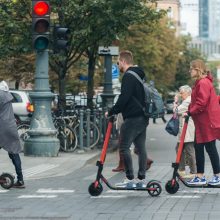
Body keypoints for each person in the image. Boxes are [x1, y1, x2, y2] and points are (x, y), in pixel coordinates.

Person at [105, 50, 149, 189]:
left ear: (123, 61)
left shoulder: (128, 76)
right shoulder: (139, 75)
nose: (118, 65)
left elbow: (124, 98)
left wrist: (111, 111)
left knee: (124, 147)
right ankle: (141, 178)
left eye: (118, 62)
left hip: (132, 118)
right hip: (142, 116)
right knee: (141, 148)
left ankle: (130, 178)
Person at [187, 59, 220, 186]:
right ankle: (200, 176)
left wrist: (191, 111)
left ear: (198, 69)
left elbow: (202, 102)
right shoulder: (199, 82)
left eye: (191, 68)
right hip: (201, 122)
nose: (190, 71)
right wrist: (190, 109)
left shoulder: (203, 83)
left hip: (207, 121)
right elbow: (197, 101)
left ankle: (217, 175)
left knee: (210, 148)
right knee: (198, 148)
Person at [0, 80, 25, 188]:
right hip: (11, 127)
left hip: (2, 127)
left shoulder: (0, 95)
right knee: (14, 153)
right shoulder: (8, 95)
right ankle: (20, 180)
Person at [173, 85, 196, 178]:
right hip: (184, 130)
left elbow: (176, 110)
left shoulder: (188, 101)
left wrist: (175, 101)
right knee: (179, 149)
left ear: (188, 92)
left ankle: (193, 171)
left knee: (189, 151)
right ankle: (182, 170)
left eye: (182, 93)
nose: (180, 94)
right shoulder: (187, 100)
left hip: (188, 131)